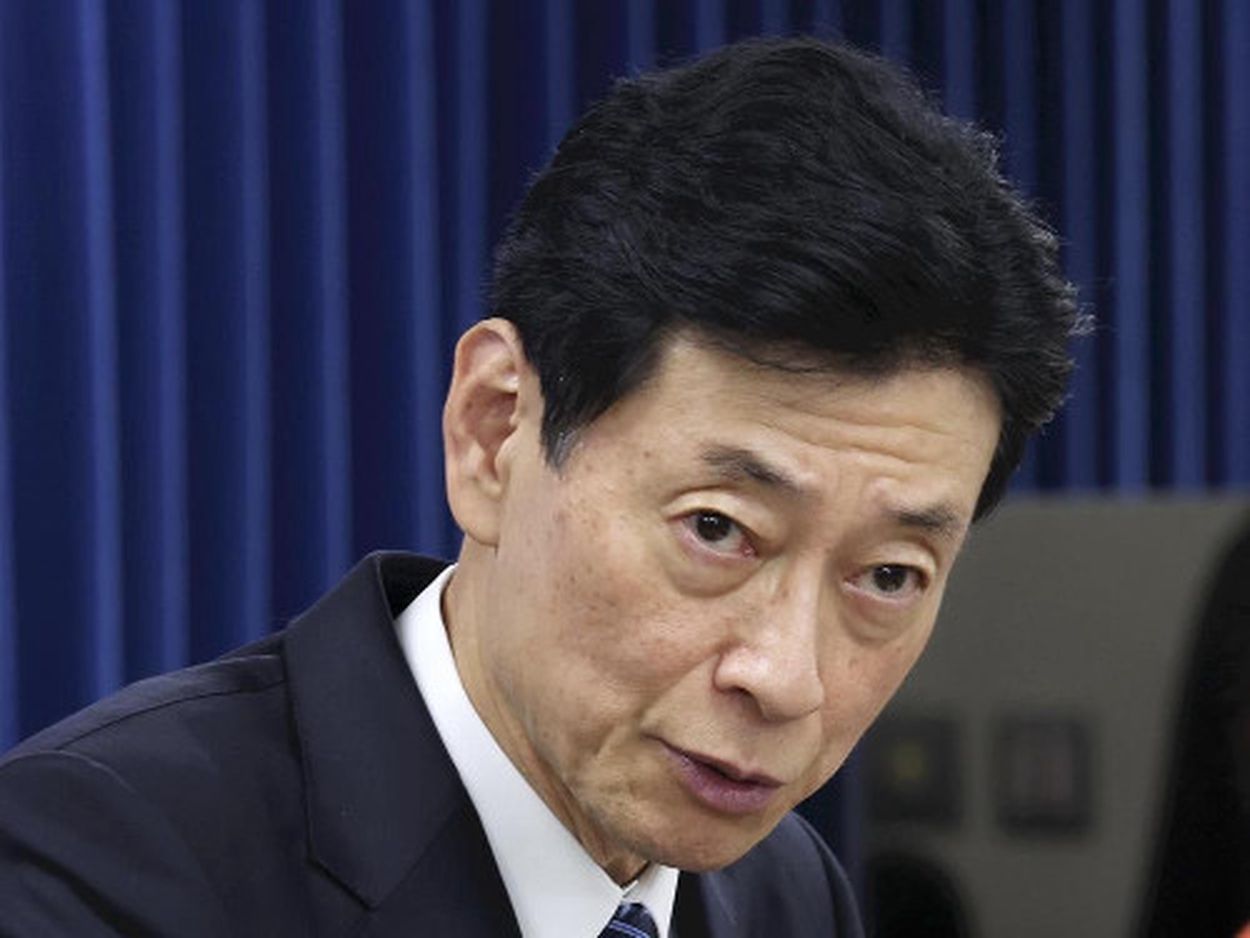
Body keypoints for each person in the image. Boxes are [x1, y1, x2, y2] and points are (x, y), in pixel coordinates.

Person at [0, 35, 1082, 937]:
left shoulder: (787, 891)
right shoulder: (98, 866)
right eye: (718, 528)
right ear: (493, 432)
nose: (788, 679)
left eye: (888, 575)